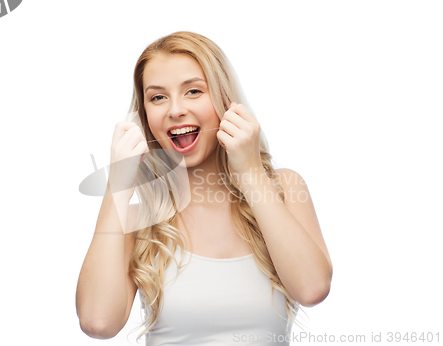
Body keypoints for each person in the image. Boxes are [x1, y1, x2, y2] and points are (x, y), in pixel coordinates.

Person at [75, 31, 333, 345]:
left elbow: (312, 289)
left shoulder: (283, 188)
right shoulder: (137, 220)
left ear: (226, 100)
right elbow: (98, 322)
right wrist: (118, 186)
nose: (175, 110)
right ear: (145, 118)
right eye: (158, 97)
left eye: (194, 91)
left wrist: (250, 172)